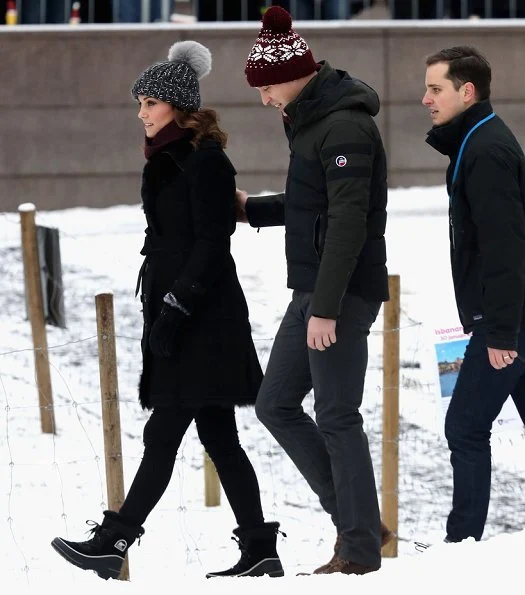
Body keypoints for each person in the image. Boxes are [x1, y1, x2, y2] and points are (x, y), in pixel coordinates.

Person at [50, 40, 284, 581]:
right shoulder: (170, 160)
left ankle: (114, 541)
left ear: (177, 106)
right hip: (185, 316)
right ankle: (259, 550)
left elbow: (212, 240)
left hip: (203, 320)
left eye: (150, 103)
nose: (142, 113)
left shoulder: (204, 162)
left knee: (166, 433)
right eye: (140, 104)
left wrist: (177, 306)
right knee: (220, 438)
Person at [237, 5, 392, 576]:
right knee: (275, 402)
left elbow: (349, 221)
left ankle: (358, 549)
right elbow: (314, 208)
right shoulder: (311, 123)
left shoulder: (345, 125)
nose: (264, 99)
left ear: (295, 74)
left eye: (267, 86)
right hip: (312, 289)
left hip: (339, 294)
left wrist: (325, 308)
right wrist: (252, 209)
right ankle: (358, 519)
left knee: (335, 414)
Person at [422, 46, 525, 543]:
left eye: (435, 89)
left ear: (468, 92)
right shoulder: (477, 142)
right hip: (509, 314)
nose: (425, 99)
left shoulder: (486, 151)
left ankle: (461, 545)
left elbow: (506, 249)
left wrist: (501, 331)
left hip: (507, 319)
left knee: (464, 426)